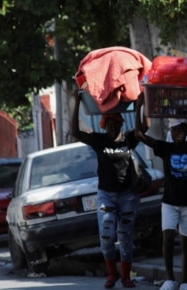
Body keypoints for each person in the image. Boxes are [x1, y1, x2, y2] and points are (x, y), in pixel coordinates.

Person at [135, 88, 187, 290]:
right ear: (171, 132)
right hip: (170, 203)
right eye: (175, 130)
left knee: (186, 244)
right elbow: (139, 134)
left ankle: (184, 282)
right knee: (167, 238)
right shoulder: (165, 148)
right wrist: (138, 106)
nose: (179, 133)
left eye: (182, 129)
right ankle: (170, 279)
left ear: (186, 130)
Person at [70, 91, 140, 288]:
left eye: (115, 124)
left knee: (125, 236)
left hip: (127, 195)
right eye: (108, 125)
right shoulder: (99, 141)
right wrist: (76, 103)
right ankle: (112, 274)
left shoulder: (129, 139)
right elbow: (75, 131)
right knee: (107, 234)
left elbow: (146, 127)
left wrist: (141, 105)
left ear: (120, 124)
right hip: (106, 196)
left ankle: (126, 276)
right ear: (104, 125)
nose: (112, 128)